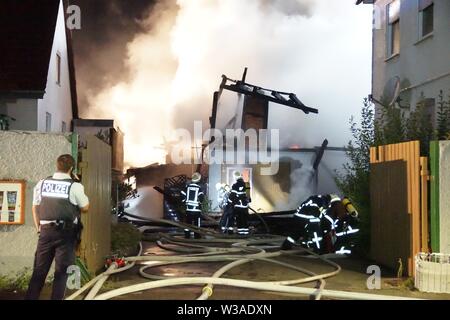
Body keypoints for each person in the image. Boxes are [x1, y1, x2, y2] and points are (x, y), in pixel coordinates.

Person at [25, 154, 89, 300]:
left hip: (45, 232)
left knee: (39, 272)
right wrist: (77, 183)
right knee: (61, 273)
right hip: (66, 234)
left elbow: (35, 208)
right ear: (71, 168)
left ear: (57, 165)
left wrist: (38, 228)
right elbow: (85, 207)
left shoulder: (42, 183)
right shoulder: (75, 186)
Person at [281, 194, 359, 253]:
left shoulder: (322, 201)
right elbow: (316, 214)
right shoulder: (320, 201)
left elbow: (325, 217)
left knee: (296, 233)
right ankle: (317, 250)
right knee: (316, 234)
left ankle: (286, 245)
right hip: (307, 218)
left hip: (299, 218)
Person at [181, 172, 205, 239]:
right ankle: (197, 235)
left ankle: (187, 235)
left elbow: (182, 194)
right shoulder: (199, 188)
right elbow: (201, 198)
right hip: (196, 209)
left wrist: (184, 202)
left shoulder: (187, 187)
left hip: (188, 209)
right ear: (198, 180)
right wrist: (200, 203)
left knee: (188, 223)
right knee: (197, 223)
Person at [228, 171, 251, 236]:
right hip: (245, 206)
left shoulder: (235, 185)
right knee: (245, 219)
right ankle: (246, 233)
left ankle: (241, 233)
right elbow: (248, 196)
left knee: (239, 219)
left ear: (235, 177)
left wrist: (229, 202)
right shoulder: (247, 184)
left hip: (238, 206)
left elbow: (232, 195)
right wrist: (247, 202)